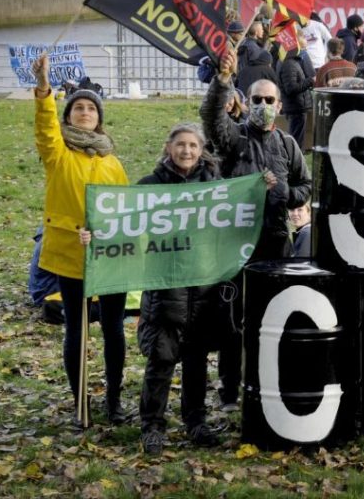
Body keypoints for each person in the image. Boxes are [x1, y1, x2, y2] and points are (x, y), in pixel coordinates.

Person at [201, 50, 312, 406]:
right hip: (235, 243)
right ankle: (230, 388)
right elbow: (211, 119)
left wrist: (283, 193)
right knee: (232, 322)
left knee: (272, 319)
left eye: (269, 100)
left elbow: (306, 188)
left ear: (279, 106)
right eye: (257, 99)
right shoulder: (233, 140)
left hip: (276, 242)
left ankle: (268, 385)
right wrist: (221, 83)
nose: (263, 104)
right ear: (247, 104)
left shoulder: (288, 144)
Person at [30, 53, 130, 427]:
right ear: (68, 115)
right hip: (70, 253)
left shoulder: (112, 162)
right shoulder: (57, 154)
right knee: (76, 326)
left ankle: (115, 400)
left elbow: (125, 209)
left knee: (114, 328)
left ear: (99, 118)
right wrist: (44, 89)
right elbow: (45, 129)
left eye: (91, 108)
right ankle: (80, 403)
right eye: (78, 108)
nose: (85, 112)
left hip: (111, 256)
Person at [136, 124, 225, 456]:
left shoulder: (215, 187)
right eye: (180, 145)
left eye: (193, 146)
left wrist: (262, 188)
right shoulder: (150, 185)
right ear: (168, 147)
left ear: (201, 150)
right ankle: (152, 426)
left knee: (196, 362)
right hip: (164, 288)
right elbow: (122, 224)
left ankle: (196, 422)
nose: (187, 151)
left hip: (202, 289)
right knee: (161, 360)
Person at [278, 33, 315, 149]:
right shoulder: (289, 64)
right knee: (296, 141)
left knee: (296, 138)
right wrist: (310, 81)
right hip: (296, 107)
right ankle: (295, 160)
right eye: (301, 47)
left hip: (297, 106)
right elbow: (291, 88)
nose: (303, 50)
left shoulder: (291, 62)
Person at [236, 22, 279, 94]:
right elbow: (256, 67)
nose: (263, 31)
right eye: (261, 29)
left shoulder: (244, 42)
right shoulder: (254, 48)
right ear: (256, 32)